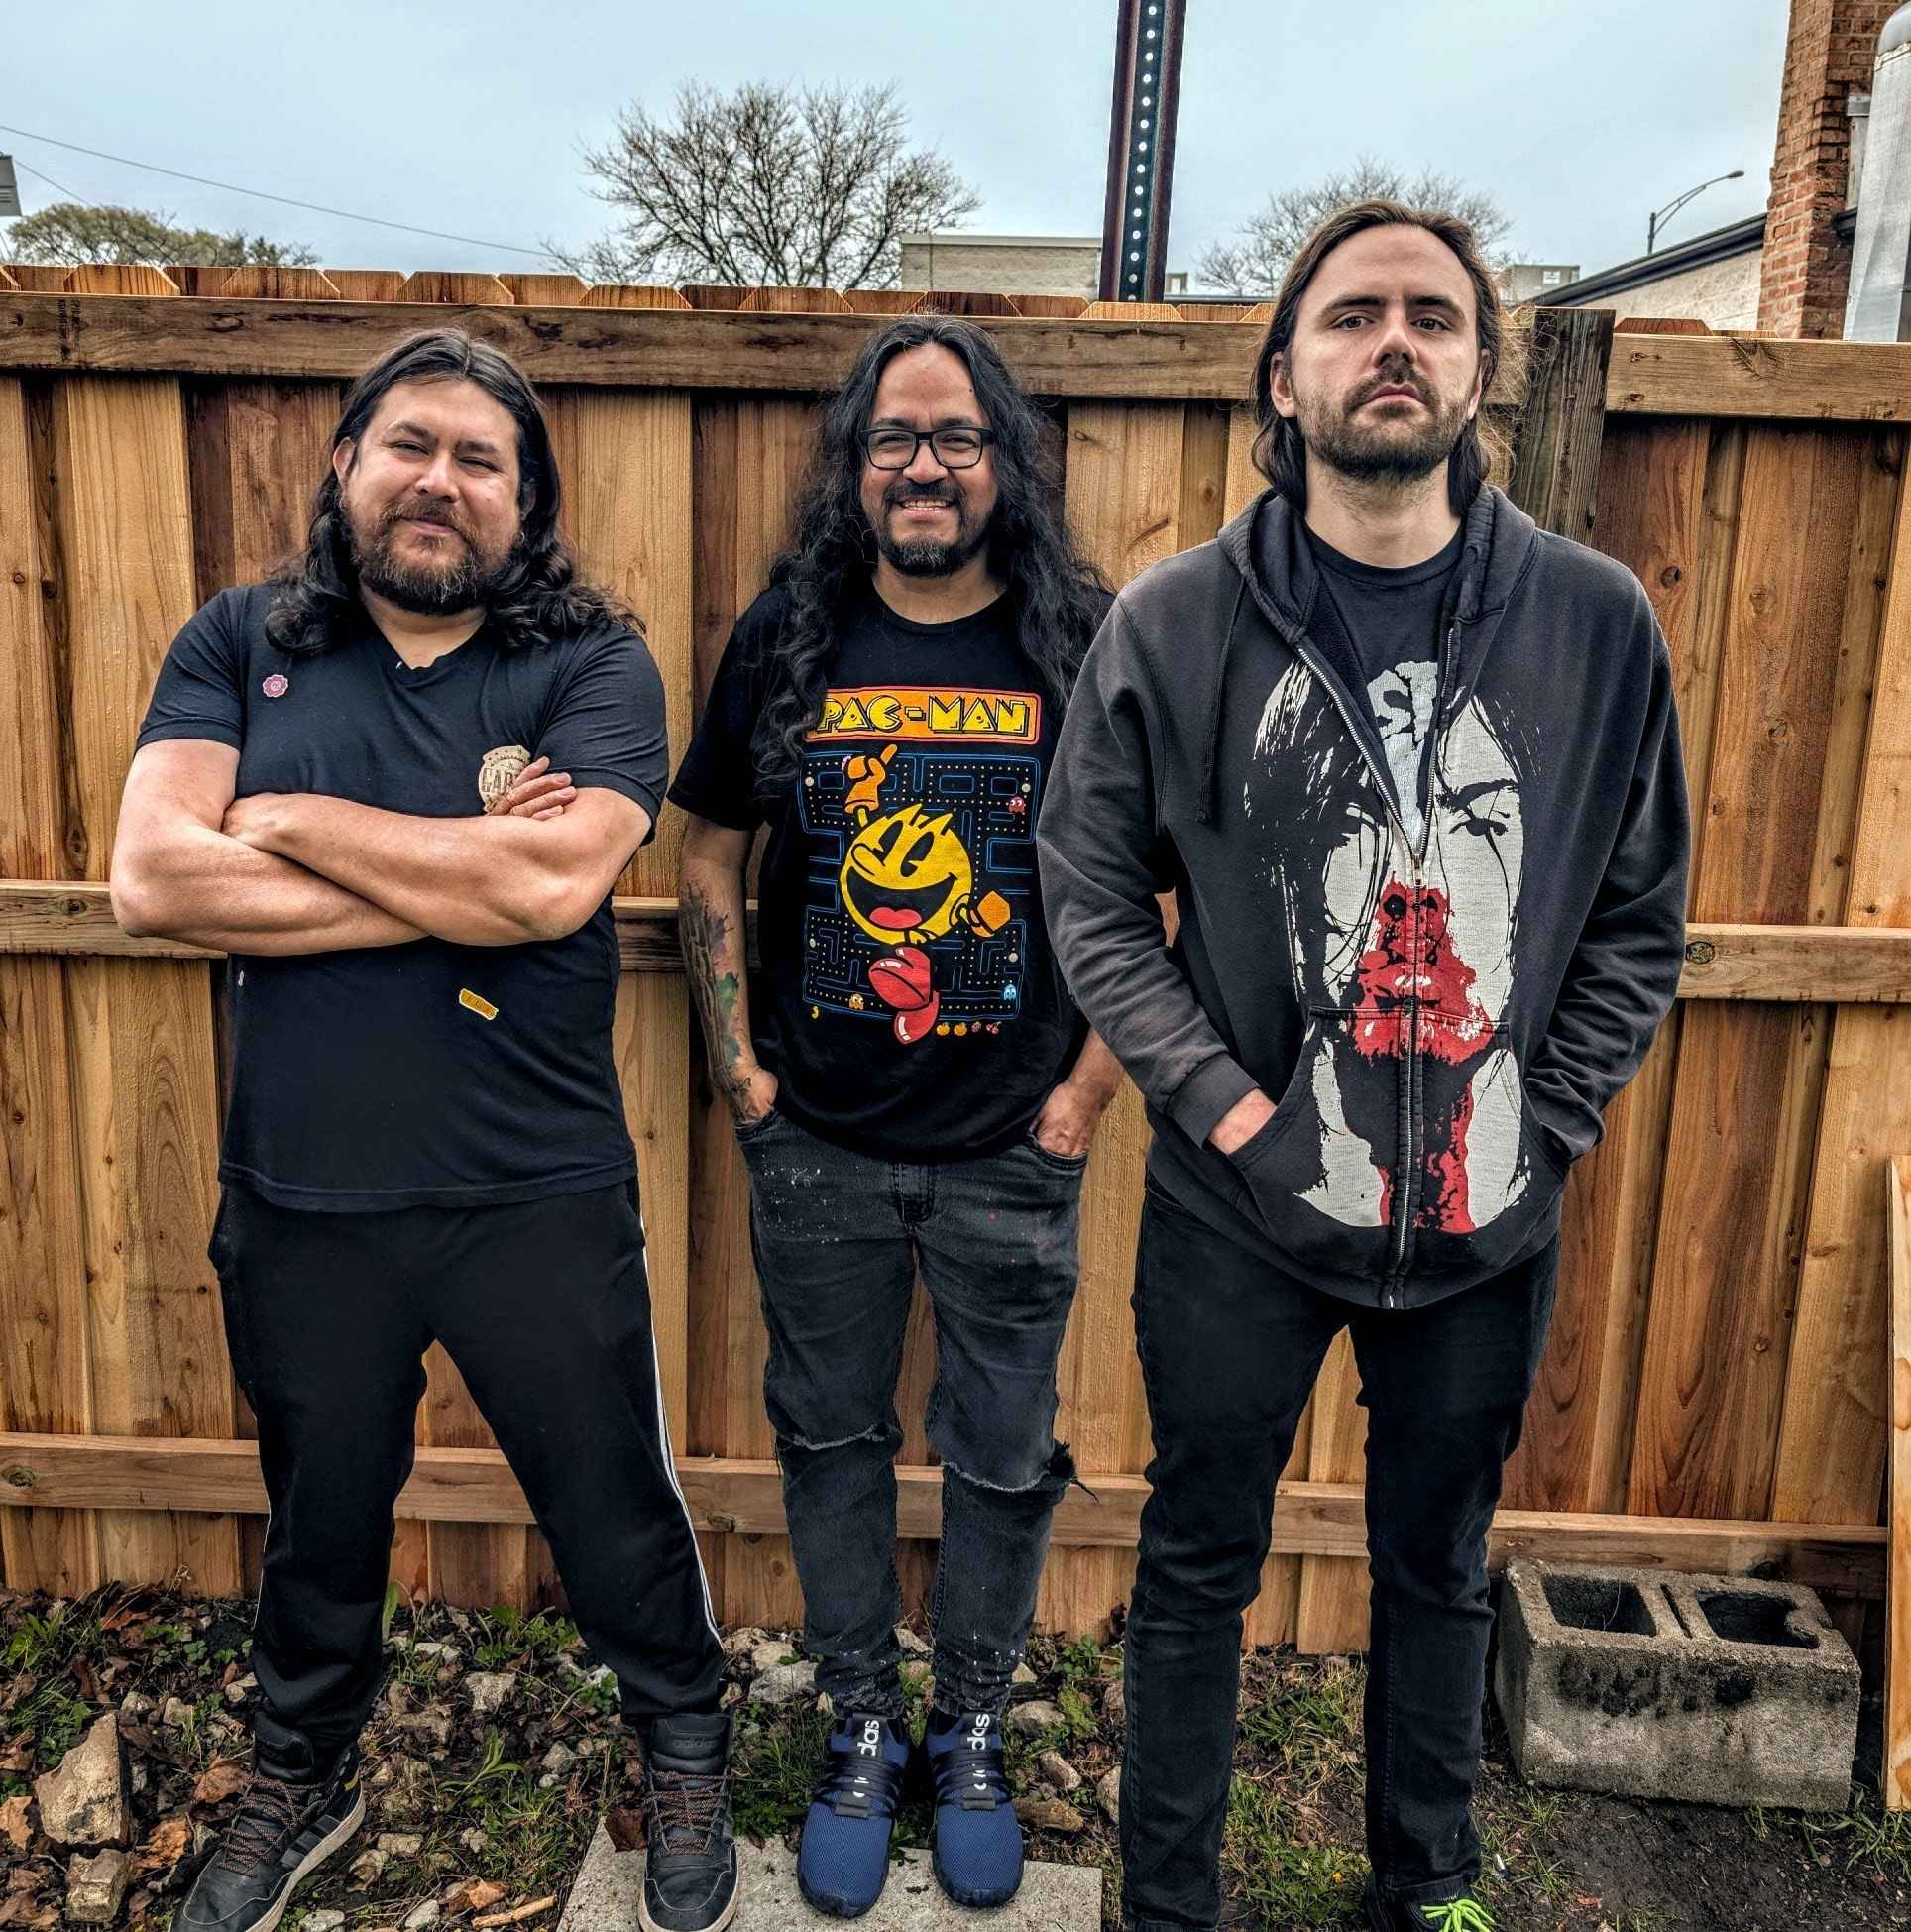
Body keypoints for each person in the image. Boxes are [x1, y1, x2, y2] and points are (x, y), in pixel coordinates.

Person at [1037, 201, 1691, 1932]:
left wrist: (1547, 1119)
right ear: (1284, 376)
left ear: (1479, 369)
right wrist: (1227, 1106)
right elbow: (1087, 889)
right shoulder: (1176, 622)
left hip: (1486, 1221)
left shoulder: (1595, 622)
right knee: (1197, 1560)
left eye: (1432, 315)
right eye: (1350, 315)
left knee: (1438, 1567)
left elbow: (1642, 911)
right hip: (1239, 1209)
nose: (1392, 341)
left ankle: (1427, 1889)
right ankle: (1166, 1903)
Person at [110, 330, 737, 1932]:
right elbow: (156, 878)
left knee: (612, 1501)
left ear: (527, 500)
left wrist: (289, 822)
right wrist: (460, 869)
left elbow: (551, 884)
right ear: (346, 466)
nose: (438, 480)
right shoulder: (240, 640)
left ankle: (681, 1731)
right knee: (317, 1516)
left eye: (478, 458)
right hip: (301, 1193)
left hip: (534, 1186)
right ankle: (301, 1767)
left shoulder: (592, 664)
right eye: (409, 445)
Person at [669, 314, 1119, 1919]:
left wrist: (1086, 1088)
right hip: (820, 1144)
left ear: (1004, 462)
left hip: (1015, 1146)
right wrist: (740, 1070)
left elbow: (1159, 881)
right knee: (831, 1438)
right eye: (894, 438)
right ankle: (862, 1717)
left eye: (956, 436)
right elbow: (708, 847)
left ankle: (971, 1724)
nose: (925, 465)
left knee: (1001, 1454)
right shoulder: (789, 633)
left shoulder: (1080, 640)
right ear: (856, 466)